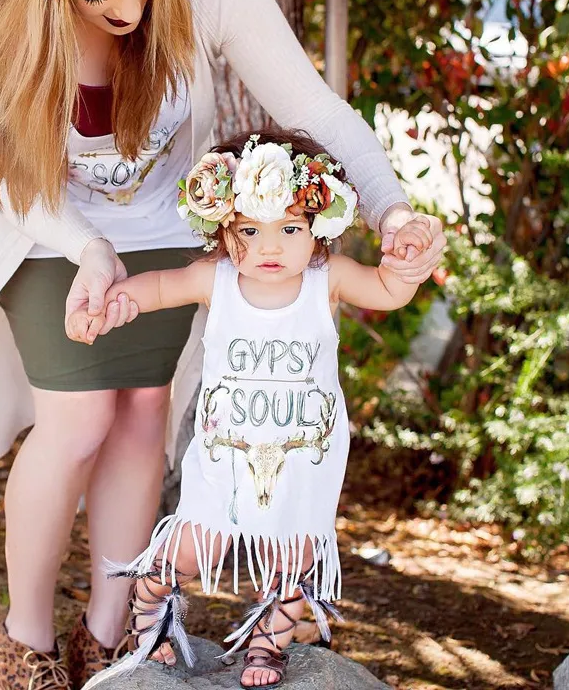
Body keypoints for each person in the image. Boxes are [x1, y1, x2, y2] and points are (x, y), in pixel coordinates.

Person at [0, 0, 447, 688]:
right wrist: (91, 249)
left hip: (162, 230)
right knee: (76, 420)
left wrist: (391, 207)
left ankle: (108, 637)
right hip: (45, 229)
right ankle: (25, 638)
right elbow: (5, 177)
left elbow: (308, 101)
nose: (133, 7)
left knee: (144, 412)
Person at [70, 128, 435, 690]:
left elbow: (387, 290)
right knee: (195, 546)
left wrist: (404, 265)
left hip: (301, 456)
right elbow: (162, 286)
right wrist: (119, 302)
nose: (269, 248)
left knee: (293, 554)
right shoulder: (215, 280)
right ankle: (150, 604)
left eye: (289, 229)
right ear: (224, 229)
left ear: (319, 227)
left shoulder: (326, 280)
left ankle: (270, 644)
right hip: (226, 454)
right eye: (249, 231)